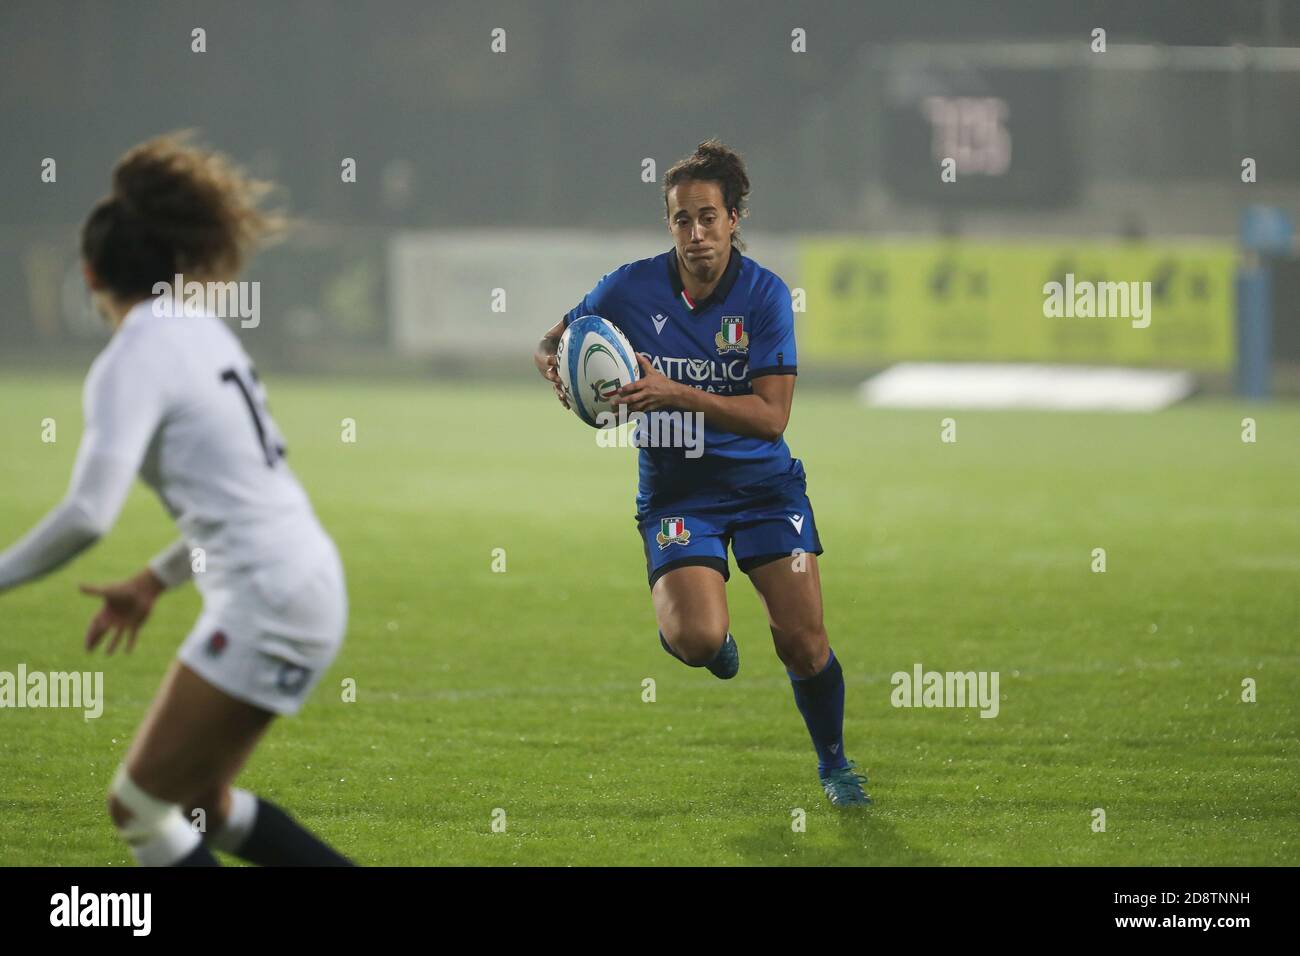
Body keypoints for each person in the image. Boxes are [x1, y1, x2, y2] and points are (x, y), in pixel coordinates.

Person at [0, 133, 355, 864]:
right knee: (200, 806)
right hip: (304, 574)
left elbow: (87, 514)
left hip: (267, 595)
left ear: (90, 273)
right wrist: (152, 579)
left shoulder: (130, 357)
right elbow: (241, 498)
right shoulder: (201, 331)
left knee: (137, 806)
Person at [534, 140, 870, 807]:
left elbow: (772, 418)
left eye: (708, 217)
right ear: (670, 224)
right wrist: (560, 373)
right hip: (678, 493)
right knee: (695, 640)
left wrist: (679, 394)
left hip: (766, 490)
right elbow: (554, 341)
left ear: (734, 217)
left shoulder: (765, 296)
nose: (696, 234)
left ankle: (834, 765)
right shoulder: (628, 288)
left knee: (803, 644)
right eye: (682, 219)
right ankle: (710, 644)